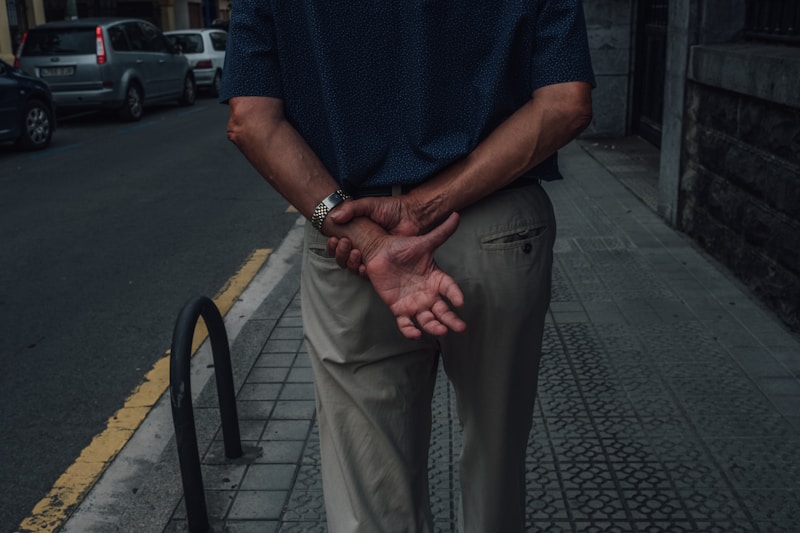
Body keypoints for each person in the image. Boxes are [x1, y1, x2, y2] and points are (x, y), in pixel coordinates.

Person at [221, 2, 594, 531]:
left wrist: (358, 235)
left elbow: (250, 120)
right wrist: (423, 207)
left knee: (367, 493)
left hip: (352, 244)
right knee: (497, 460)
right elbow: (566, 103)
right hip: (495, 223)